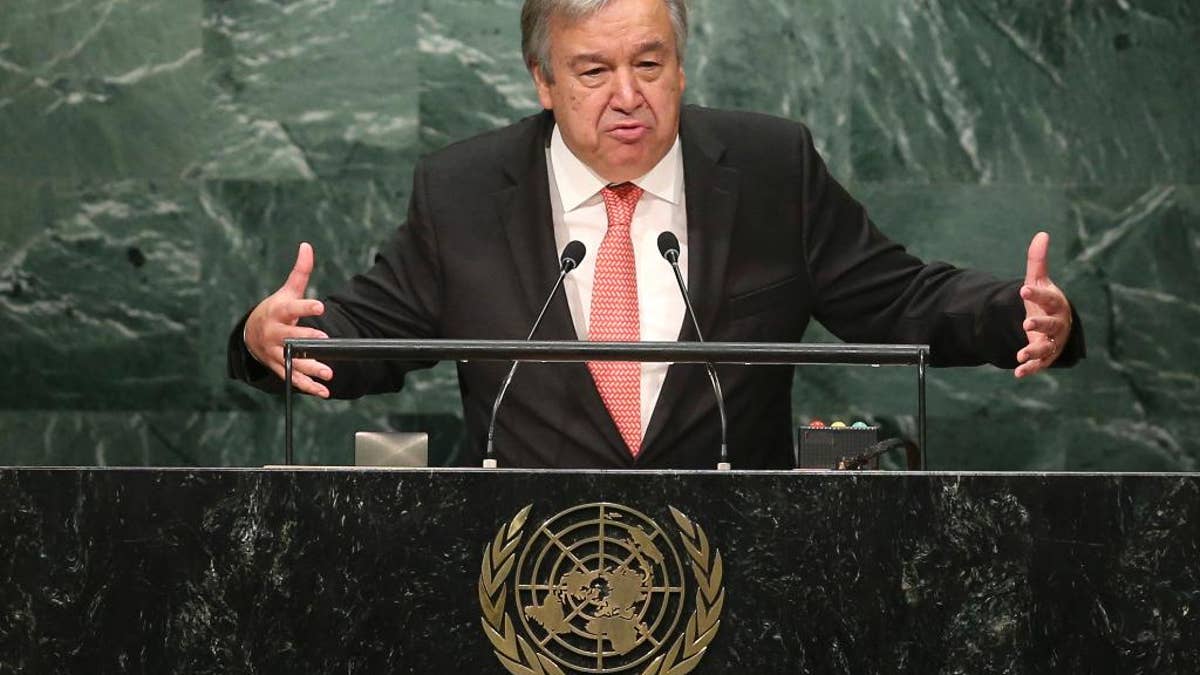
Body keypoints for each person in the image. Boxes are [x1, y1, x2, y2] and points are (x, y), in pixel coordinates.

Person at [228, 0, 1084, 469]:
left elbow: (896, 299)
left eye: (648, 63)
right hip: (528, 571)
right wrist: (278, 339)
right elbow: (382, 328)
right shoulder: (463, 189)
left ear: (681, 66)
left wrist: (1019, 313)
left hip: (741, 564)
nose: (627, 95)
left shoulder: (767, 166)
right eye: (594, 71)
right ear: (543, 80)